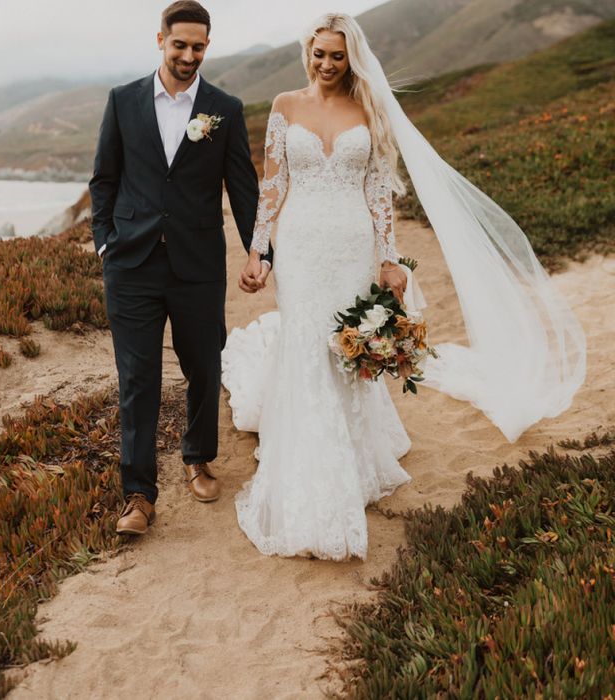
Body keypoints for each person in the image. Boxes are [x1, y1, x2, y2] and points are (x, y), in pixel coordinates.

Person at [222, 13, 586, 560]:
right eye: (318, 53)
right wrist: (260, 252)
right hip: (298, 247)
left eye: (336, 56)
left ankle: (351, 454)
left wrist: (388, 260)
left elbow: (377, 194)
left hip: (349, 245)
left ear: (351, 59)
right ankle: (307, 460)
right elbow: (273, 186)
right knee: (304, 339)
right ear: (307, 53)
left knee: (342, 346)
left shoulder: (368, 110)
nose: (325, 64)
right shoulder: (284, 106)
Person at [89, 0, 272, 536]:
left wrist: (258, 251)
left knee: (204, 365)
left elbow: (244, 189)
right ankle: (139, 495)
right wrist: (105, 244)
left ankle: (198, 456)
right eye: (179, 45)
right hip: (132, 265)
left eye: (198, 46)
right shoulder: (122, 102)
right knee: (138, 379)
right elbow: (104, 179)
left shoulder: (225, 108)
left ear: (207, 47)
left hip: (197, 263)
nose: (188, 55)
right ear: (161, 41)